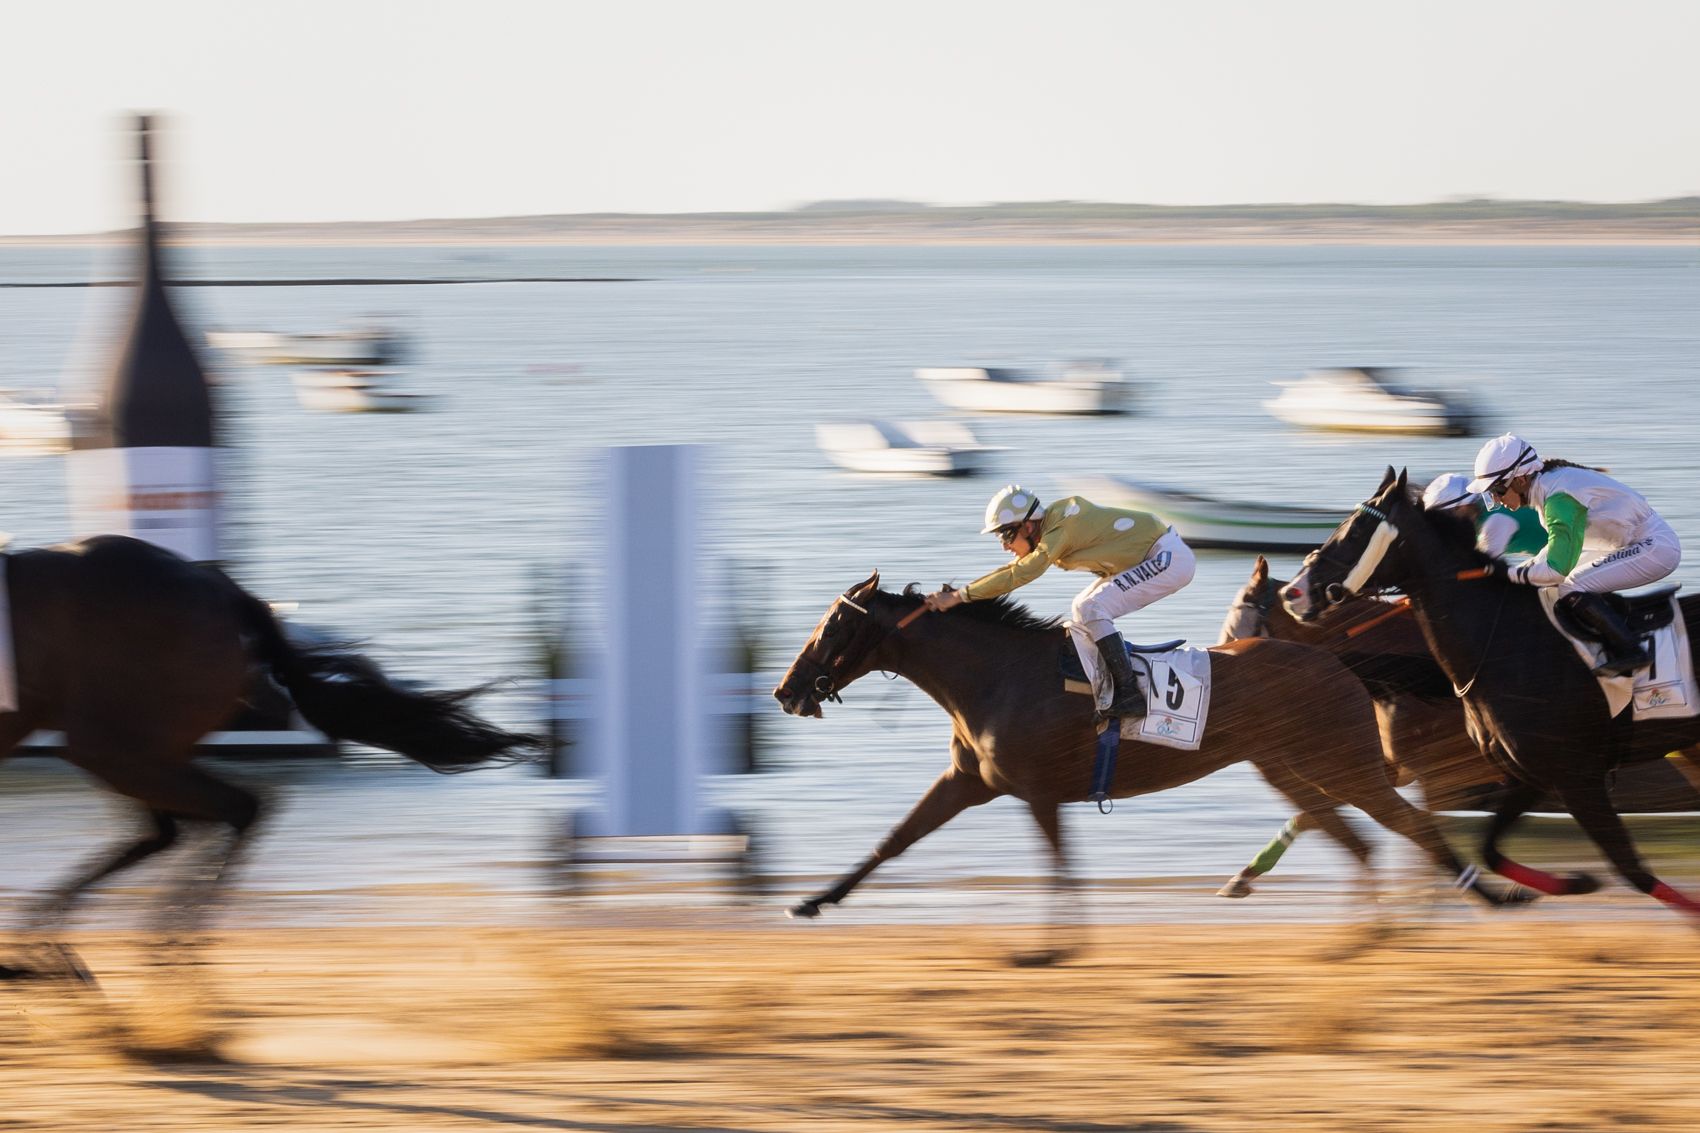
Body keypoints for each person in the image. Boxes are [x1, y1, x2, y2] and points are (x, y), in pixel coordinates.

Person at [923, 485, 1195, 718]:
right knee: (1081, 607)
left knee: (1092, 607)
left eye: (1006, 534)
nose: (1004, 545)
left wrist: (959, 596)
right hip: (1151, 556)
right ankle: (1107, 682)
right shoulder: (1049, 531)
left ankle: (1129, 693)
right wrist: (960, 594)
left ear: (1028, 526)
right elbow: (1011, 569)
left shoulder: (1060, 527)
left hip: (1166, 558)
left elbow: (1022, 573)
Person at [1464, 434, 1681, 676]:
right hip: (1624, 545)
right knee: (1547, 580)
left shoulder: (1559, 499)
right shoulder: (1545, 489)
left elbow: (1556, 570)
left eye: (1497, 489)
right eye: (1490, 493)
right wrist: (1518, 570)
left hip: (1654, 548)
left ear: (1521, 478)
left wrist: (1507, 573)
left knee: (1572, 586)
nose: (1495, 499)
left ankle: (1632, 651)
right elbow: (1548, 557)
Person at [1420, 472, 1547, 558]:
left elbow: (1483, 570)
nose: (1443, 522)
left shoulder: (1495, 521)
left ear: (1462, 506)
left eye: (1445, 514)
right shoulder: (1482, 509)